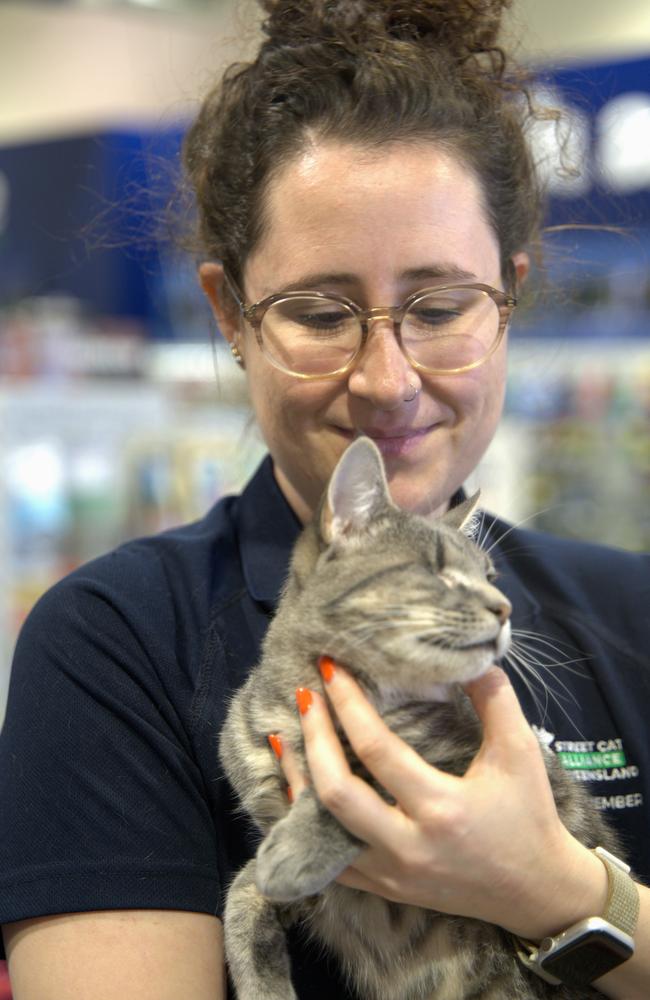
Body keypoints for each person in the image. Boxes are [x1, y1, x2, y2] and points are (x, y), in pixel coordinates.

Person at [1, 1, 649, 997]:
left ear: (507, 297)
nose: (386, 381)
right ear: (230, 314)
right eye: (318, 312)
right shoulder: (117, 641)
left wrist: (559, 887)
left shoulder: (626, 611)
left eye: (437, 309)